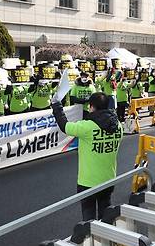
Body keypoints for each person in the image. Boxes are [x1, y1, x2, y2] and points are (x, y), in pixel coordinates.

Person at [51, 92, 122, 221]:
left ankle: (91, 240)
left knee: (88, 219)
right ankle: (107, 238)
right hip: (109, 178)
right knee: (105, 215)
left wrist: (56, 105)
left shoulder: (86, 127)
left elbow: (64, 126)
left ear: (92, 107)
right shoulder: (118, 126)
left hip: (88, 181)